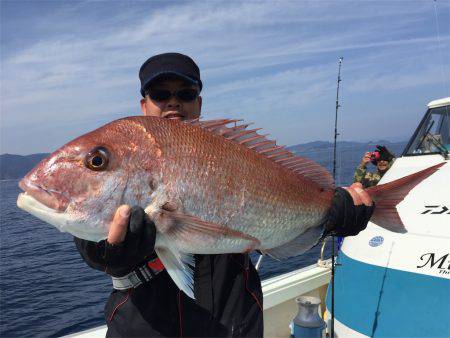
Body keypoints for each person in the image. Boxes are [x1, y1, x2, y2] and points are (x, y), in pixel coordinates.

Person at [74, 52, 375, 338]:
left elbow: (278, 221)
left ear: (199, 102)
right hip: (146, 329)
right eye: (161, 94)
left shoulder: (229, 152)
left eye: (186, 94)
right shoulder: (130, 156)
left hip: (236, 323)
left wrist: (331, 218)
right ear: (144, 105)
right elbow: (88, 230)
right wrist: (104, 251)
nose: (174, 102)